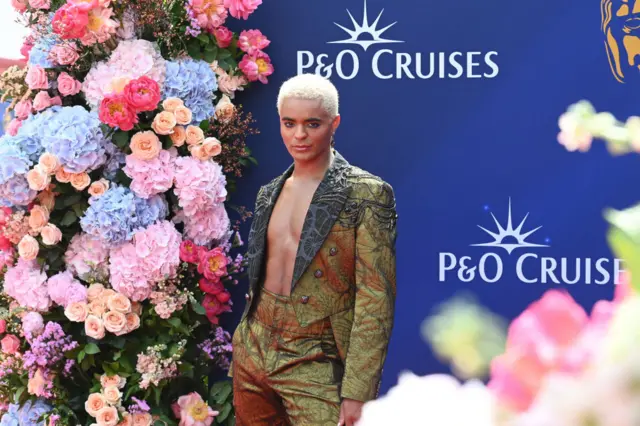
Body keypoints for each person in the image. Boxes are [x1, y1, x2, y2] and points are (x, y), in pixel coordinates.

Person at [230, 73, 398, 426]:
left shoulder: (365, 193)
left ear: (334, 124)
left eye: (313, 124)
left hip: (315, 354)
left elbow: (375, 297)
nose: (299, 135)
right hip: (252, 347)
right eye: (289, 124)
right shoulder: (268, 193)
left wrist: (358, 391)